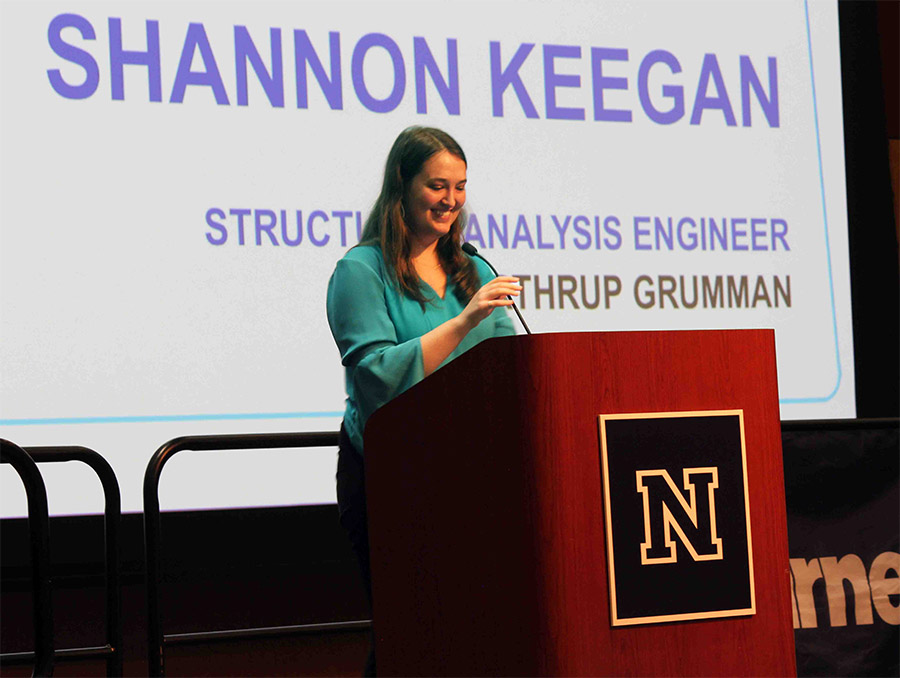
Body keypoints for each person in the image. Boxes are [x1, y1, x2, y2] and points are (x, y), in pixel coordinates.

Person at [325, 126, 520, 675]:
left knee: (474, 633)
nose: (451, 200)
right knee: (408, 637)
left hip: (472, 479)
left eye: (460, 187)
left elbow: (511, 367)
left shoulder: (472, 269)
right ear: (402, 185)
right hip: (390, 480)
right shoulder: (360, 271)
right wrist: (463, 322)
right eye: (438, 185)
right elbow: (377, 378)